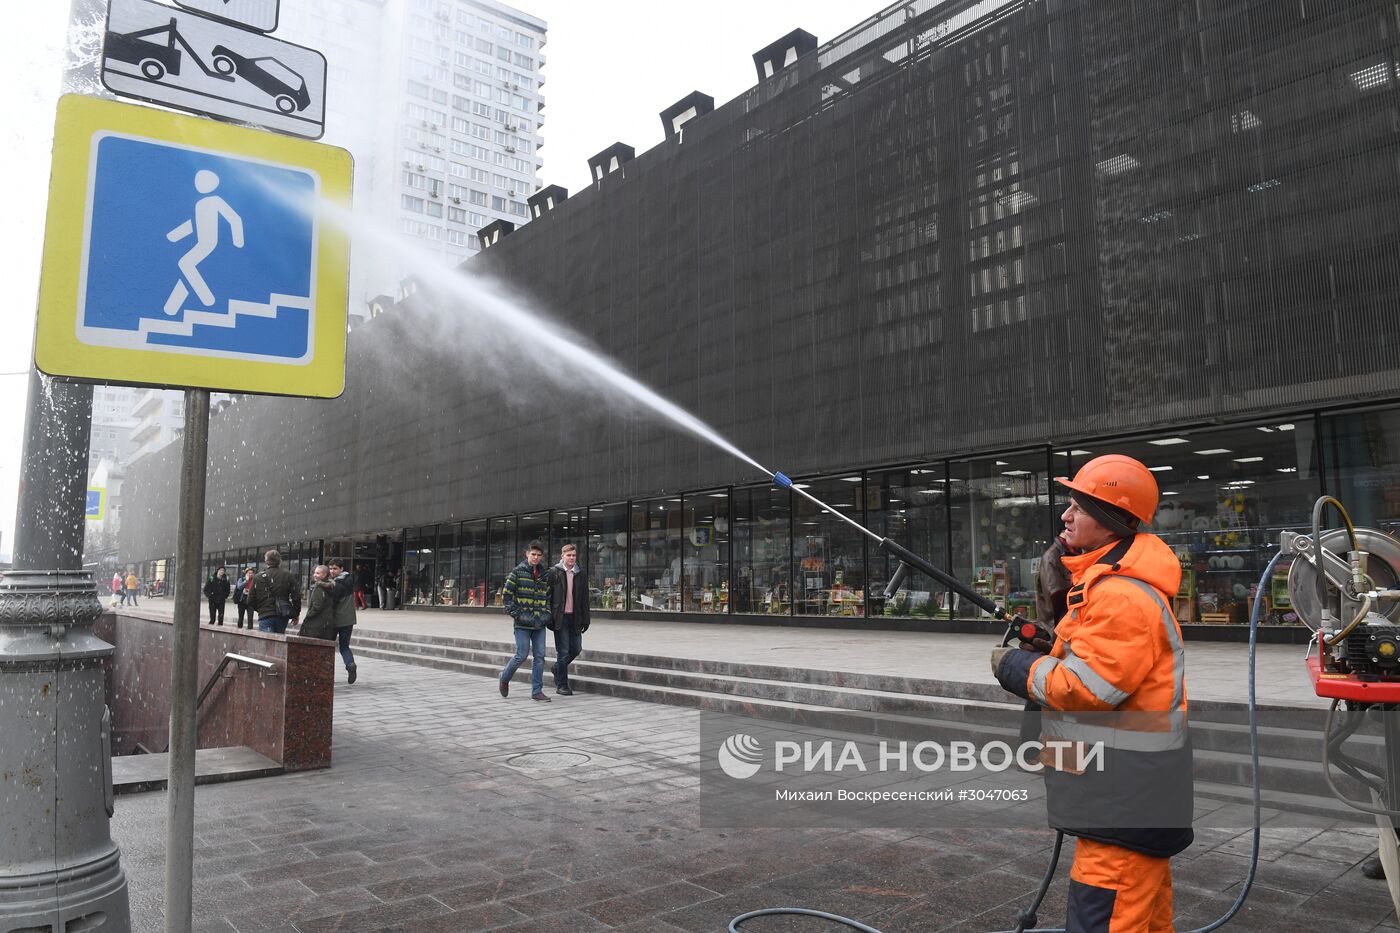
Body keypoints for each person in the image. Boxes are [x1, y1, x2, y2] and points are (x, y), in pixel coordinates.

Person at [992, 454, 1192, 933]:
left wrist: (1018, 666)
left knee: (1104, 920)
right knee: (1144, 920)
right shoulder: (1106, 587)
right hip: (1124, 797)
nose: (1066, 516)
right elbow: (1102, 666)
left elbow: (1086, 690)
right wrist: (1054, 646)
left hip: (1122, 801)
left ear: (1109, 522)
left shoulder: (1120, 596)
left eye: (1077, 507)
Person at [498, 540, 553, 701]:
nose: (535, 557)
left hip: (539, 623)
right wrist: (517, 614)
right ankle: (504, 677)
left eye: (538, 555)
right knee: (521, 655)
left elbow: (548, 597)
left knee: (540, 657)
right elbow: (506, 596)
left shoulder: (545, 575)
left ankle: (537, 691)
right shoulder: (517, 572)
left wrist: (546, 614)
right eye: (533, 554)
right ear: (527, 554)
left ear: (542, 557)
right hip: (522, 623)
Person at [549, 543, 591, 696]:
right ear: (562, 556)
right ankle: (562, 685)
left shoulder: (581, 574)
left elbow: (585, 599)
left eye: (573, 555)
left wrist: (586, 619)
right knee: (563, 652)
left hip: (575, 618)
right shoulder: (554, 572)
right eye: (569, 555)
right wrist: (549, 618)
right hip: (560, 618)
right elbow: (549, 597)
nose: (572, 558)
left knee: (576, 649)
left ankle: (557, 668)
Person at [247, 549, 300, 634]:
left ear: (266, 561)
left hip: (265, 615)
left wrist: (261, 609)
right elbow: (296, 596)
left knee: (267, 644)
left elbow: (250, 599)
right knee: (279, 640)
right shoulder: (287, 575)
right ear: (280, 561)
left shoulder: (258, 577)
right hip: (282, 614)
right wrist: (296, 613)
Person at [327, 558, 359, 684]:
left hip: (335, 620)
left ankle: (326, 672)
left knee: (328, 646)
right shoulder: (349, 580)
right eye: (330, 568)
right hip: (349, 620)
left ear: (341, 569)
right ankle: (350, 664)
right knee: (344, 646)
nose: (332, 571)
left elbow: (331, 605)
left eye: (335, 568)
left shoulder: (336, 585)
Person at [298, 565, 337, 641]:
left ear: (324, 575)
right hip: (326, 624)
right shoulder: (330, 587)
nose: (314, 575)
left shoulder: (319, 588)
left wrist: (308, 616)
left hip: (316, 625)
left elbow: (317, 607)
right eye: (315, 573)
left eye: (318, 573)